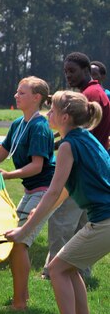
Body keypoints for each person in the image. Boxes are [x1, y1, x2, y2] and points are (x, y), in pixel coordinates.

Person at [5, 90, 109, 314]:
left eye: (51, 111)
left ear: (64, 117)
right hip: (104, 220)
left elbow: (51, 193)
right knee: (67, 266)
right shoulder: (85, 138)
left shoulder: (68, 145)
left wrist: (24, 230)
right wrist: (41, 212)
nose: (47, 113)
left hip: (104, 221)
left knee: (56, 269)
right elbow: (63, 190)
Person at [0, 77, 55, 310]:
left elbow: (37, 166)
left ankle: (20, 303)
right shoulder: (18, 124)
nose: (16, 96)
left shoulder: (40, 127)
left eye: (21, 92)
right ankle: (23, 298)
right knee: (17, 242)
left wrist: (8, 176)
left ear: (36, 98)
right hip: (32, 190)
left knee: (19, 242)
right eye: (17, 91)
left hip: (44, 191)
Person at [44, 52, 110, 279]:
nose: (68, 76)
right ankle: (81, 272)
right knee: (84, 224)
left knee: (62, 222)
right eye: (65, 71)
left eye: (72, 71)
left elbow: (74, 132)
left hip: (81, 171)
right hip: (91, 169)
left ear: (86, 70)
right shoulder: (97, 92)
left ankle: (54, 272)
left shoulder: (89, 93)